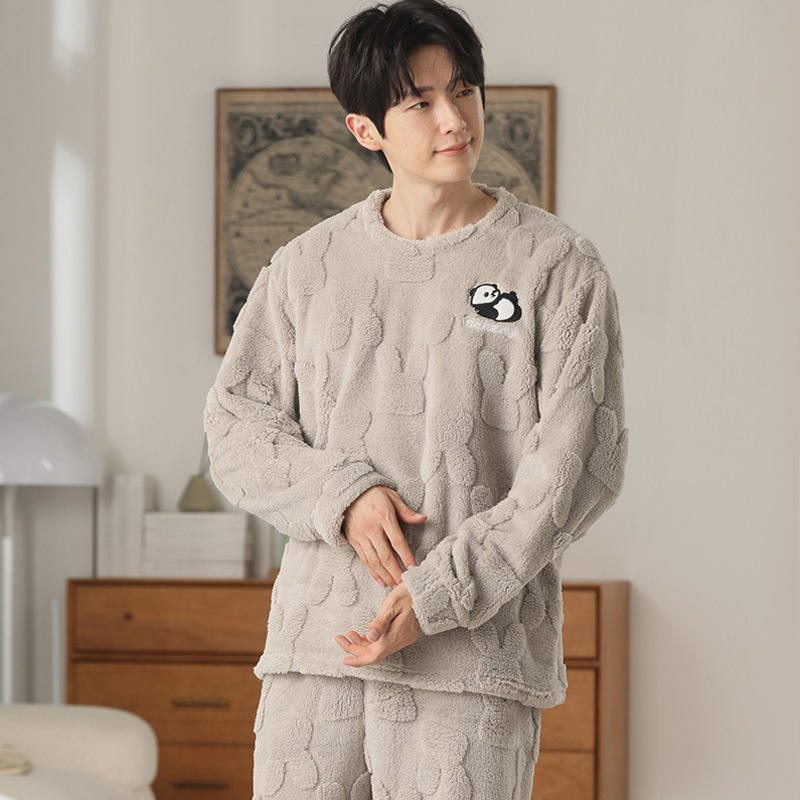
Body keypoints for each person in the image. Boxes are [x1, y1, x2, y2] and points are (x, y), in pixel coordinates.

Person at [202, 1, 629, 797]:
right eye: (419, 102)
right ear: (366, 130)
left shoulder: (557, 266)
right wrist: (345, 495)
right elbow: (235, 427)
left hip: (471, 661)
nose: (453, 120)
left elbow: (579, 468)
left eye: (463, 90)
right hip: (318, 653)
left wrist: (438, 594)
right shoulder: (305, 266)